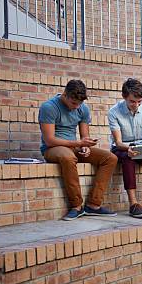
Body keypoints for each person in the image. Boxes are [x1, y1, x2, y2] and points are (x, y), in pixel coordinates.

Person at [39, 79, 118, 221]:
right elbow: (49, 140)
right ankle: (77, 206)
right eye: (74, 103)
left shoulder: (82, 108)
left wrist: (85, 147)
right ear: (65, 95)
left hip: (73, 146)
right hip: (53, 148)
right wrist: (77, 143)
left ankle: (93, 205)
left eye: (80, 103)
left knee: (110, 158)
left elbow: (84, 136)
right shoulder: (49, 107)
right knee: (68, 157)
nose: (77, 107)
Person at [108, 78, 142, 218]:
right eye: (132, 101)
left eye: (140, 102)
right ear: (124, 97)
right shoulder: (114, 112)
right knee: (128, 158)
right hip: (122, 147)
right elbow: (118, 142)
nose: (136, 105)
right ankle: (133, 204)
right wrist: (128, 149)